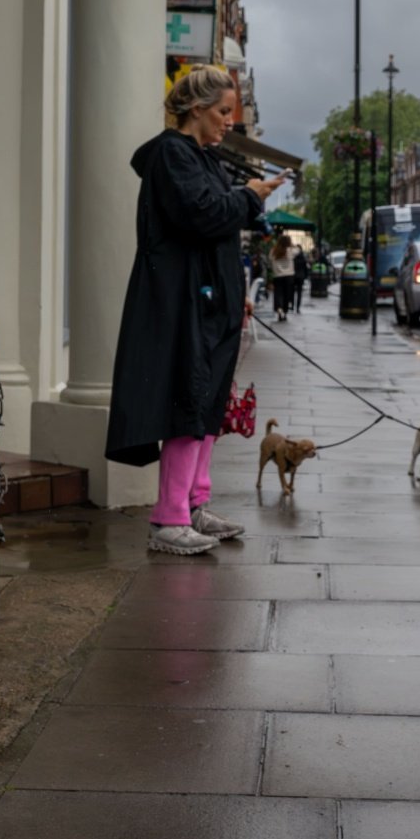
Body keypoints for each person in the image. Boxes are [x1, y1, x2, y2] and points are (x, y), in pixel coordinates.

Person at [104, 66, 280, 554]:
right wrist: (249, 197)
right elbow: (203, 215)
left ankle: (193, 505)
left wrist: (236, 293)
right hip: (182, 301)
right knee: (189, 402)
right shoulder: (172, 154)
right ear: (197, 109)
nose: (229, 121)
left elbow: (212, 228)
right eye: (223, 111)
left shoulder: (199, 157)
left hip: (206, 301)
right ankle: (170, 518)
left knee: (205, 406)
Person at [265, 234, 300, 320]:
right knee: (287, 294)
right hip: (289, 275)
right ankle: (284, 311)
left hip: (277, 275)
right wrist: (292, 245)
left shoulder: (274, 251)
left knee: (278, 293)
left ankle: (279, 308)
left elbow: (269, 258)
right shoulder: (290, 250)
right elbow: (298, 250)